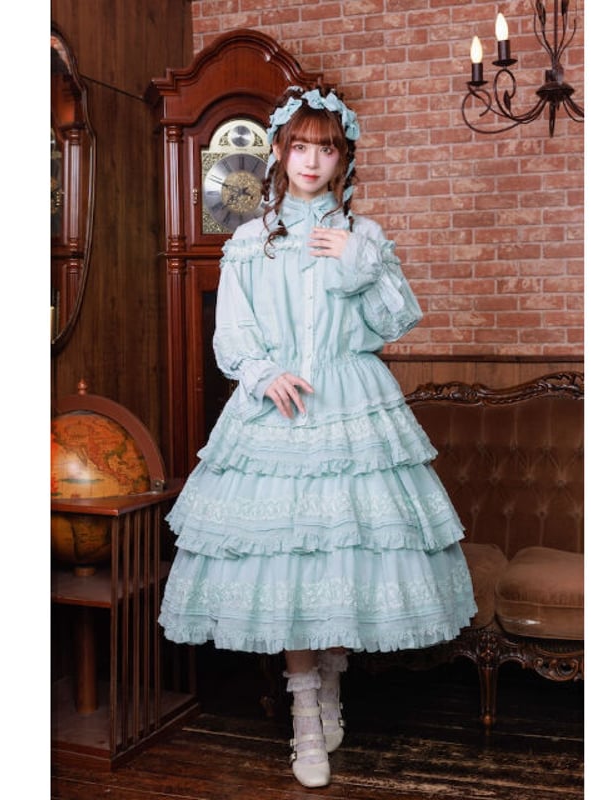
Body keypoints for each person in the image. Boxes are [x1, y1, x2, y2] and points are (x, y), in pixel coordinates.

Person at [158, 84, 477, 788]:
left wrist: (360, 264)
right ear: (278, 151)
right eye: (299, 146)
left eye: (326, 149)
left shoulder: (365, 238)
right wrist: (263, 372)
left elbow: (396, 321)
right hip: (278, 410)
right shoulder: (250, 241)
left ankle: (332, 685)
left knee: (344, 558)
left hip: (353, 403)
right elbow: (232, 333)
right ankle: (305, 716)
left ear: (343, 159)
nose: (311, 160)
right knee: (289, 564)